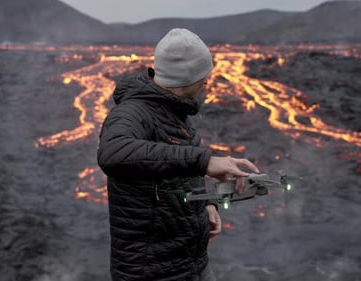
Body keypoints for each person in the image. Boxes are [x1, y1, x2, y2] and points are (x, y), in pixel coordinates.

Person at [97, 28, 259, 281]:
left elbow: (172, 169)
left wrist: (206, 204)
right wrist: (205, 161)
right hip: (151, 272)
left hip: (192, 264)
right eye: (203, 75)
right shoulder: (132, 112)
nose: (207, 81)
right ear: (185, 78)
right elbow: (114, 152)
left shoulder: (174, 111)